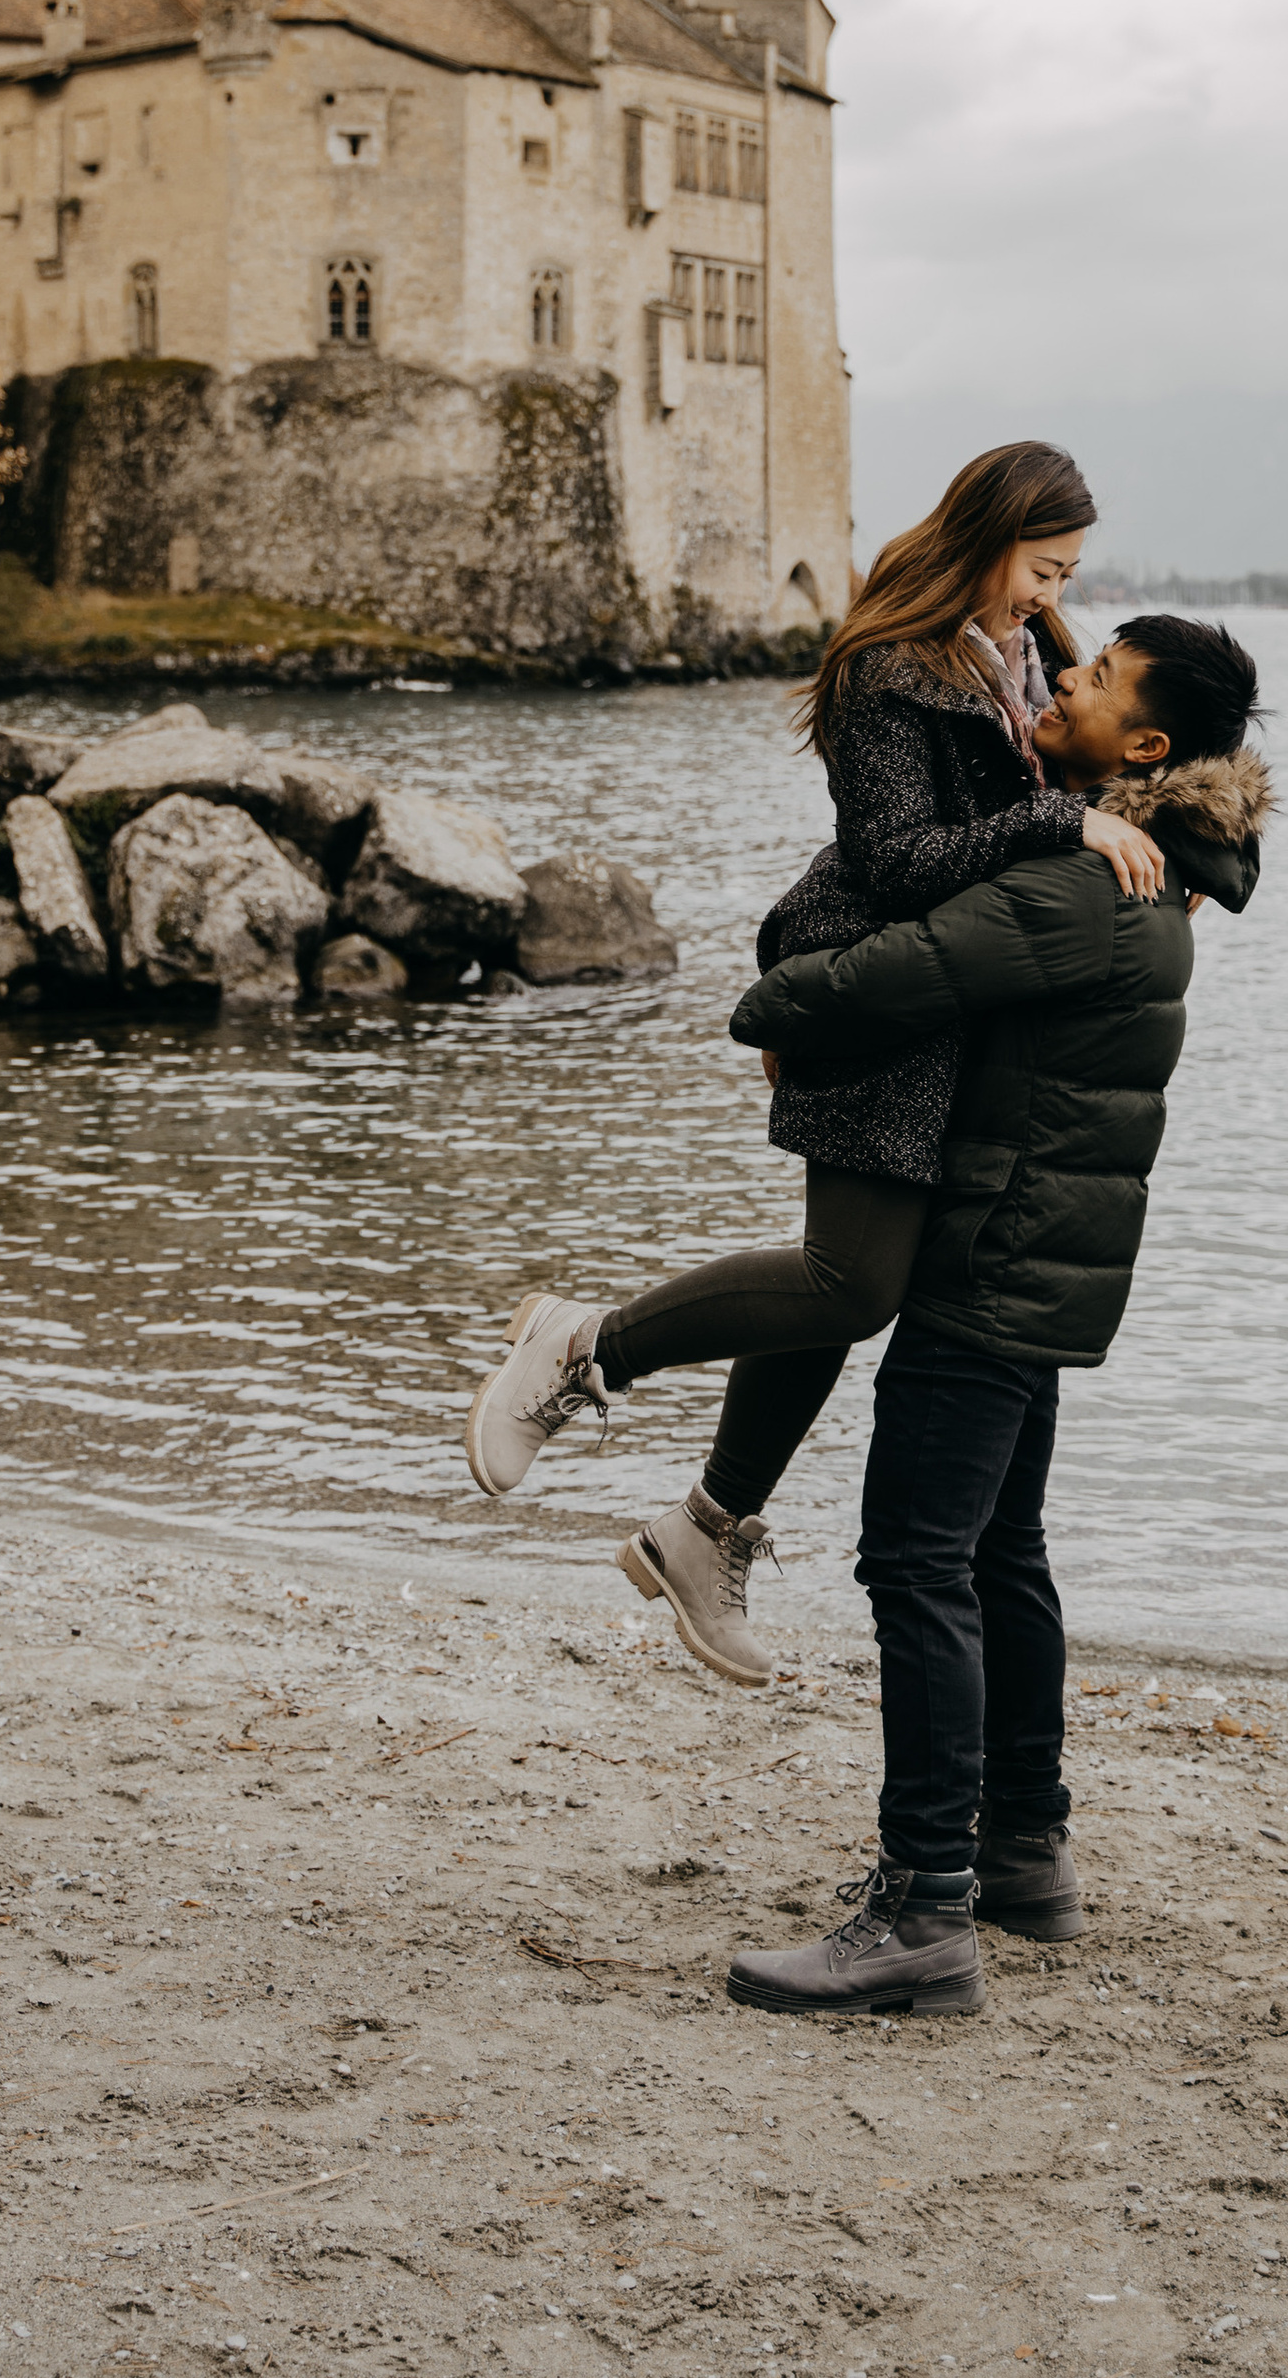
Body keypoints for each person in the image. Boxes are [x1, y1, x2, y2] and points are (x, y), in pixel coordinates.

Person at [461, 444, 1171, 1687]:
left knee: (841, 1285)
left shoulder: (1015, 648)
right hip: (868, 985)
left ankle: (706, 1529)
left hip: (942, 1005)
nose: (1053, 599)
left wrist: (1145, 786)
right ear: (990, 536)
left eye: (1066, 578)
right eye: (1043, 568)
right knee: (851, 1284)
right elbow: (897, 859)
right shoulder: (891, 670)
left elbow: (1120, 729)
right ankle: (584, 1347)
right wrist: (1064, 818)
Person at [712, 613, 1271, 2016]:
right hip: (1055, 1260)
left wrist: (768, 1001)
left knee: (916, 1566)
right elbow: (1082, 728)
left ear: (1145, 746)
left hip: (986, 1258)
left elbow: (858, 983)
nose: (1054, 680)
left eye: (1082, 679)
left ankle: (922, 1911)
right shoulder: (1162, 866)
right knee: (1001, 1555)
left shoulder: (1078, 892)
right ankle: (1026, 1855)